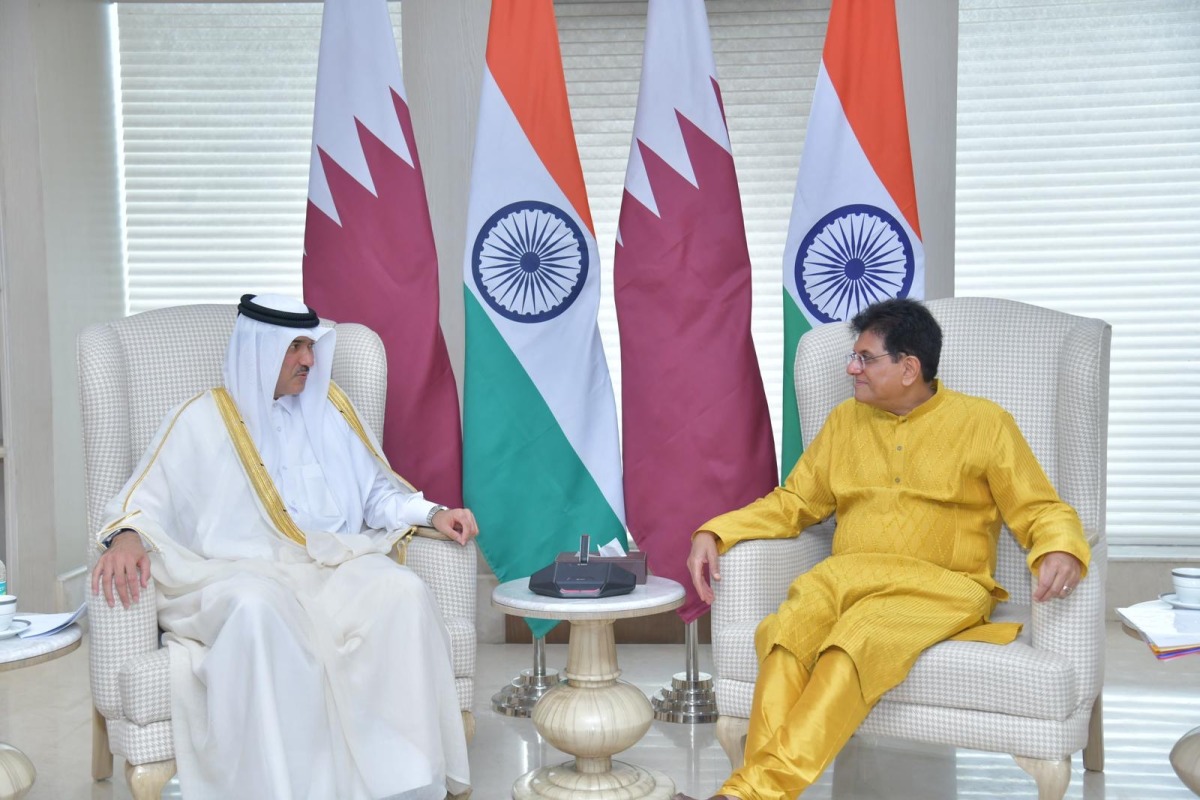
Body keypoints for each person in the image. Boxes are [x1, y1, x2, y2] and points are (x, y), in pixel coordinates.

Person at [675, 298, 1091, 800]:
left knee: (853, 641)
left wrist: (1060, 548)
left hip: (941, 586)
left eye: (865, 359)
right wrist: (715, 531)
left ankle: (747, 794)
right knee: (786, 634)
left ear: (909, 368)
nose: (852, 369)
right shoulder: (845, 422)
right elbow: (796, 502)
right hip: (843, 578)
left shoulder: (984, 423)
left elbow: (1040, 507)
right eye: (854, 357)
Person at [91, 294, 476, 800]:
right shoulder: (202, 418)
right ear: (259, 348)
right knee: (256, 610)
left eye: (311, 347)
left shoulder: (329, 409)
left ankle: (401, 782)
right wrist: (125, 536)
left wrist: (432, 513)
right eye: (295, 347)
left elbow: (377, 495)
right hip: (240, 572)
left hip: (331, 564)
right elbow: (142, 500)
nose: (308, 360)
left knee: (402, 592)